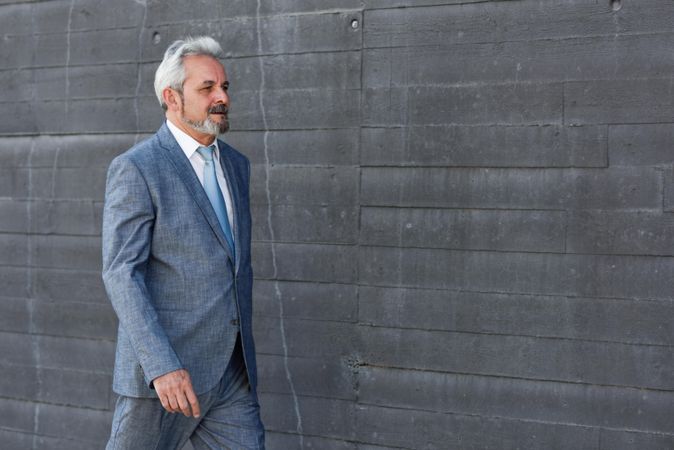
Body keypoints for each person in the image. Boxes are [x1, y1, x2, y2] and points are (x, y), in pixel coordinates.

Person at [102, 36, 265, 449]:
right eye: (207, 88)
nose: (221, 97)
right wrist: (160, 366)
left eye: (224, 87)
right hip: (166, 378)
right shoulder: (138, 168)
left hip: (231, 373)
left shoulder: (237, 166)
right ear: (171, 97)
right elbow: (122, 273)